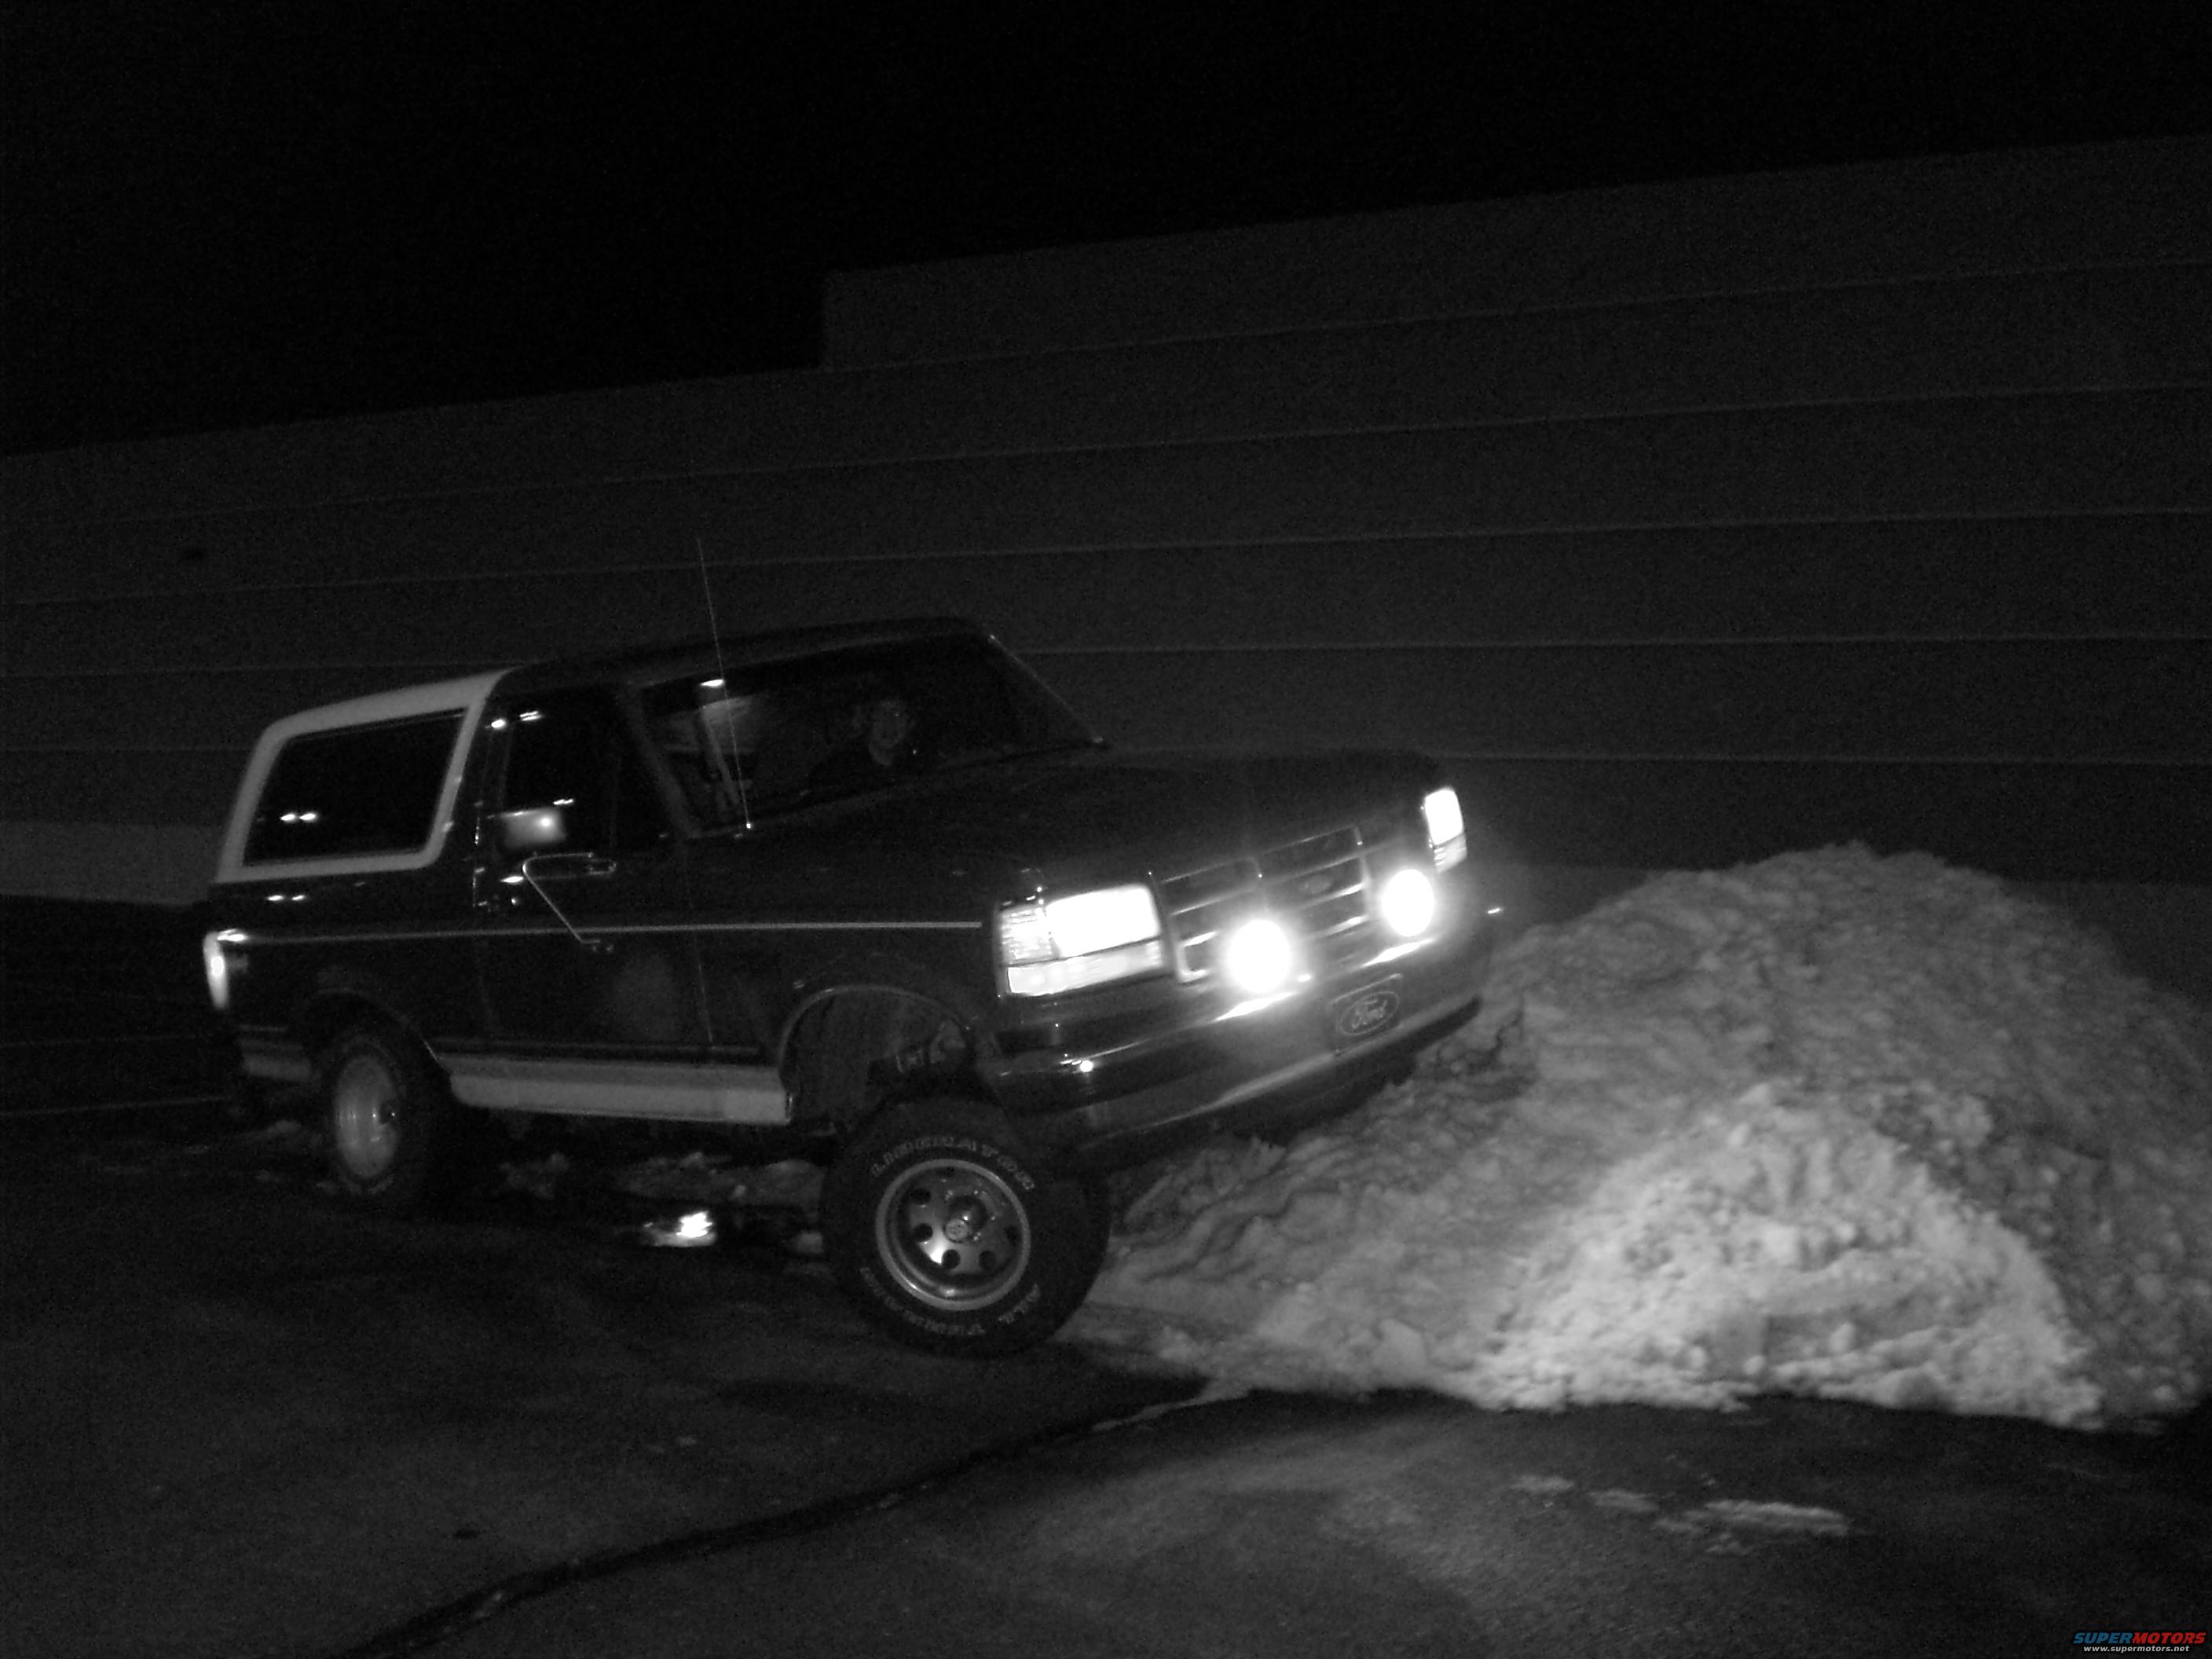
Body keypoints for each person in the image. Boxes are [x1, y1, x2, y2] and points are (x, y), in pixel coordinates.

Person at [807, 689, 922, 795]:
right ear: (867, 721)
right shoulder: (839, 771)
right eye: (879, 714)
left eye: (898, 714)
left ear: (910, 723)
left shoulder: (917, 766)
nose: (889, 722)